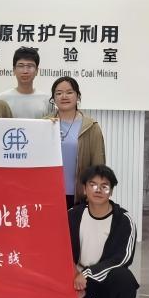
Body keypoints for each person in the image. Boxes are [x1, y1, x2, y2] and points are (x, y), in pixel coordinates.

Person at [33, 165, 138, 298]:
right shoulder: (73, 215)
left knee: (126, 280)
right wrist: (73, 274)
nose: (98, 190)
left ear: (111, 191)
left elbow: (123, 258)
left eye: (104, 186)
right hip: (77, 279)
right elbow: (59, 250)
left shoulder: (123, 220)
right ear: (84, 189)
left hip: (105, 278)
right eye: (93, 184)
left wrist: (87, 274)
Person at [46, 76, 105, 208]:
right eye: (59, 93)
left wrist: (94, 193)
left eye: (69, 92)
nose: (64, 96)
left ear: (78, 96)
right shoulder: (44, 124)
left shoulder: (91, 126)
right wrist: (45, 128)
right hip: (49, 193)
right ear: (53, 98)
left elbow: (98, 165)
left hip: (79, 196)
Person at [0, 47, 46, 119]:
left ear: (37, 71)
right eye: (21, 66)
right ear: (14, 70)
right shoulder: (1, 99)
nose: (25, 71)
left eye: (30, 66)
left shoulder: (46, 100)